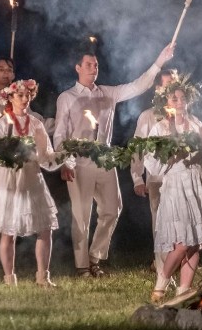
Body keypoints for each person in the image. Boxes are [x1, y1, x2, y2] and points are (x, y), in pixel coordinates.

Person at [53, 40, 176, 277]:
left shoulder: (108, 93)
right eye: (88, 64)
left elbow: (138, 86)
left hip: (104, 160)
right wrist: (65, 162)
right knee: (81, 214)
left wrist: (159, 62)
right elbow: (60, 134)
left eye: (96, 65)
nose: (93, 68)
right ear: (77, 67)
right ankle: (81, 267)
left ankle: (95, 258)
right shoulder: (66, 97)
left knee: (112, 208)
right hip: (78, 161)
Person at [143, 73, 202, 302]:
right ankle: (162, 279)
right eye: (174, 99)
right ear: (166, 103)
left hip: (197, 184)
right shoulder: (160, 129)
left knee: (195, 241)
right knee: (181, 243)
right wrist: (169, 151)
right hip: (176, 186)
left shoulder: (196, 126)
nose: (180, 103)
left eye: (183, 98)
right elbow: (152, 163)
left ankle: (184, 289)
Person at [0, 79, 64, 286]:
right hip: (8, 179)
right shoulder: (3, 123)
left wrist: (63, 156)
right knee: (9, 230)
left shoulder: (36, 124)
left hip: (31, 178)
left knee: (44, 228)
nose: (24, 100)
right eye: (20, 96)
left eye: (27, 96)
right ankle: (9, 278)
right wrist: (4, 152)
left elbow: (46, 157)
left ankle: (43, 276)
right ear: (11, 98)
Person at [130, 69, 175, 276]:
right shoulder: (148, 117)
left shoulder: (184, 116)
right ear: (158, 89)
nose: (171, 90)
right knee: (159, 221)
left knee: (181, 219)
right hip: (156, 179)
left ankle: (176, 260)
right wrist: (137, 178)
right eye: (167, 85)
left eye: (174, 84)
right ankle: (161, 265)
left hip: (181, 178)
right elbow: (138, 148)